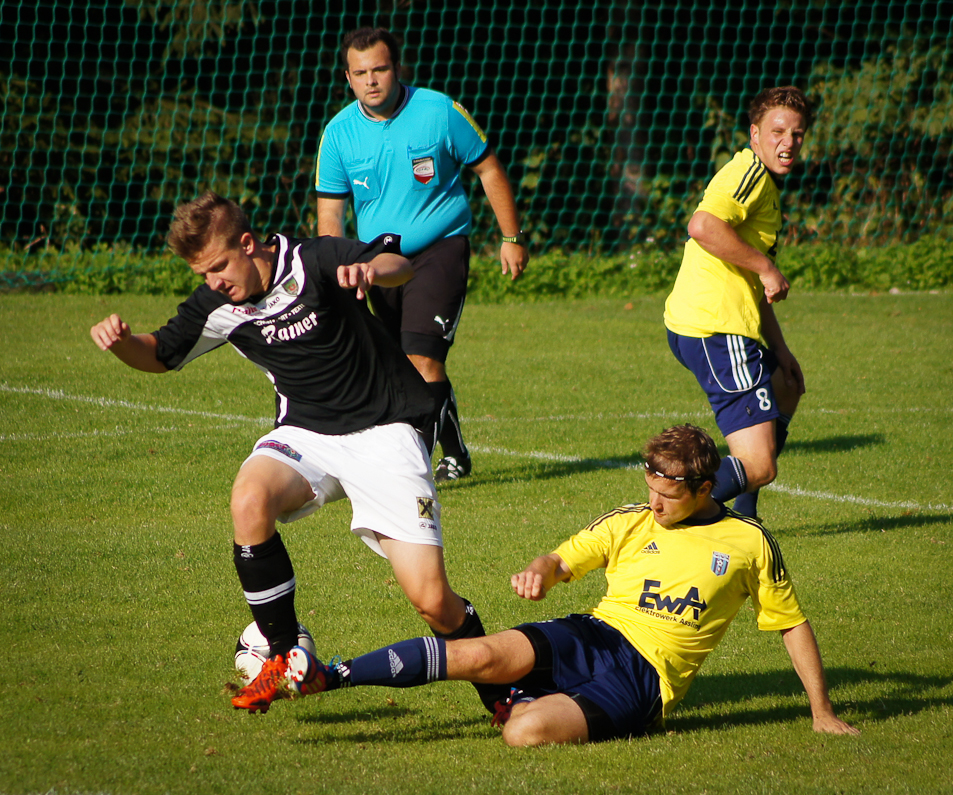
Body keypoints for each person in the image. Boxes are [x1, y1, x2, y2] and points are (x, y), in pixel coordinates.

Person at [89, 191, 492, 715]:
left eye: (218, 267)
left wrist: (370, 271)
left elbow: (398, 264)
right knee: (249, 499)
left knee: (433, 601)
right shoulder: (218, 304)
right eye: (202, 274)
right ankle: (281, 657)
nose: (213, 283)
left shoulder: (313, 259)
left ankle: (503, 690)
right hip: (306, 435)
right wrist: (121, 342)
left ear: (247, 243)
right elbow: (161, 353)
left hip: (385, 430)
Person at [281, 424, 859, 746]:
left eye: (668, 495)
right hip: (594, 633)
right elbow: (561, 560)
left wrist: (821, 710)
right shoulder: (630, 521)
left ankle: (523, 701)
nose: (654, 504)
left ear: (705, 489)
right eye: (650, 489)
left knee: (523, 734)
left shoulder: (749, 543)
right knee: (481, 654)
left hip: (644, 680)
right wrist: (540, 570)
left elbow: (791, 624)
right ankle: (329, 676)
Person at [314, 27, 529, 483]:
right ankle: (456, 454)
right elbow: (330, 211)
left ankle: (413, 470)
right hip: (377, 263)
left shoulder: (439, 111)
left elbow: (488, 169)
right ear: (347, 78)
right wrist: (337, 272)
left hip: (440, 249)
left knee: (422, 357)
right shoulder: (337, 134)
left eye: (380, 69)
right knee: (404, 365)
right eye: (360, 73)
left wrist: (511, 237)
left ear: (397, 68)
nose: (371, 80)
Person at [663, 86, 813, 518]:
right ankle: (659, 513)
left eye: (797, 134)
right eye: (778, 131)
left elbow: (752, 280)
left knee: (786, 386)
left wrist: (780, 350)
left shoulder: (764, 184)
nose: (788, 142)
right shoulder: (749, 174)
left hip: (710, 324)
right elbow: (703, 225)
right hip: (716, 328)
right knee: (760, 465)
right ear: (754, 134)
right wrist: (767, 267)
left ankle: (744, 520)